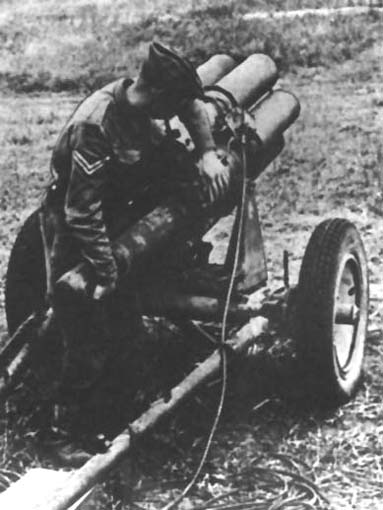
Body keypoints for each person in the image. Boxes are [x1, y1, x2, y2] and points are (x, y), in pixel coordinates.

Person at [40, 42, 231, 463]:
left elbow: (194, 108)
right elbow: (80, 214)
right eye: (173, 104)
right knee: (86, 331)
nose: (177, 112)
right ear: (159, 96)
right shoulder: (97, 125)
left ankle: (107, 425)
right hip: (74, 227)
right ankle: (60, 434)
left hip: (113, 218)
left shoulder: (146, 103)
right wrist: (107, 274)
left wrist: (207, 154)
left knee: (127, 330)